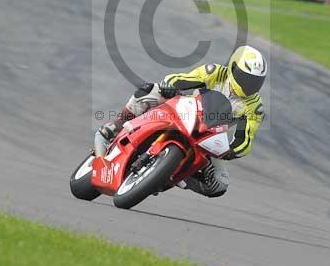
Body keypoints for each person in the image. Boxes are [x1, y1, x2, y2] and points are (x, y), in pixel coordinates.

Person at [96, 46, 267, 198]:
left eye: (255, 82)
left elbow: (245, 140)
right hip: (186, 111)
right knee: (149, 90)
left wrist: (230, 151)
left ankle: (174, 176)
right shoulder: (214, 72)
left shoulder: (255, 107)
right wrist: (169, 85)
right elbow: (182, 78)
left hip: (209, 134)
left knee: (219, 185)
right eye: (246, 78)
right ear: (233, 67)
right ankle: (115, 127)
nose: (249, 85)